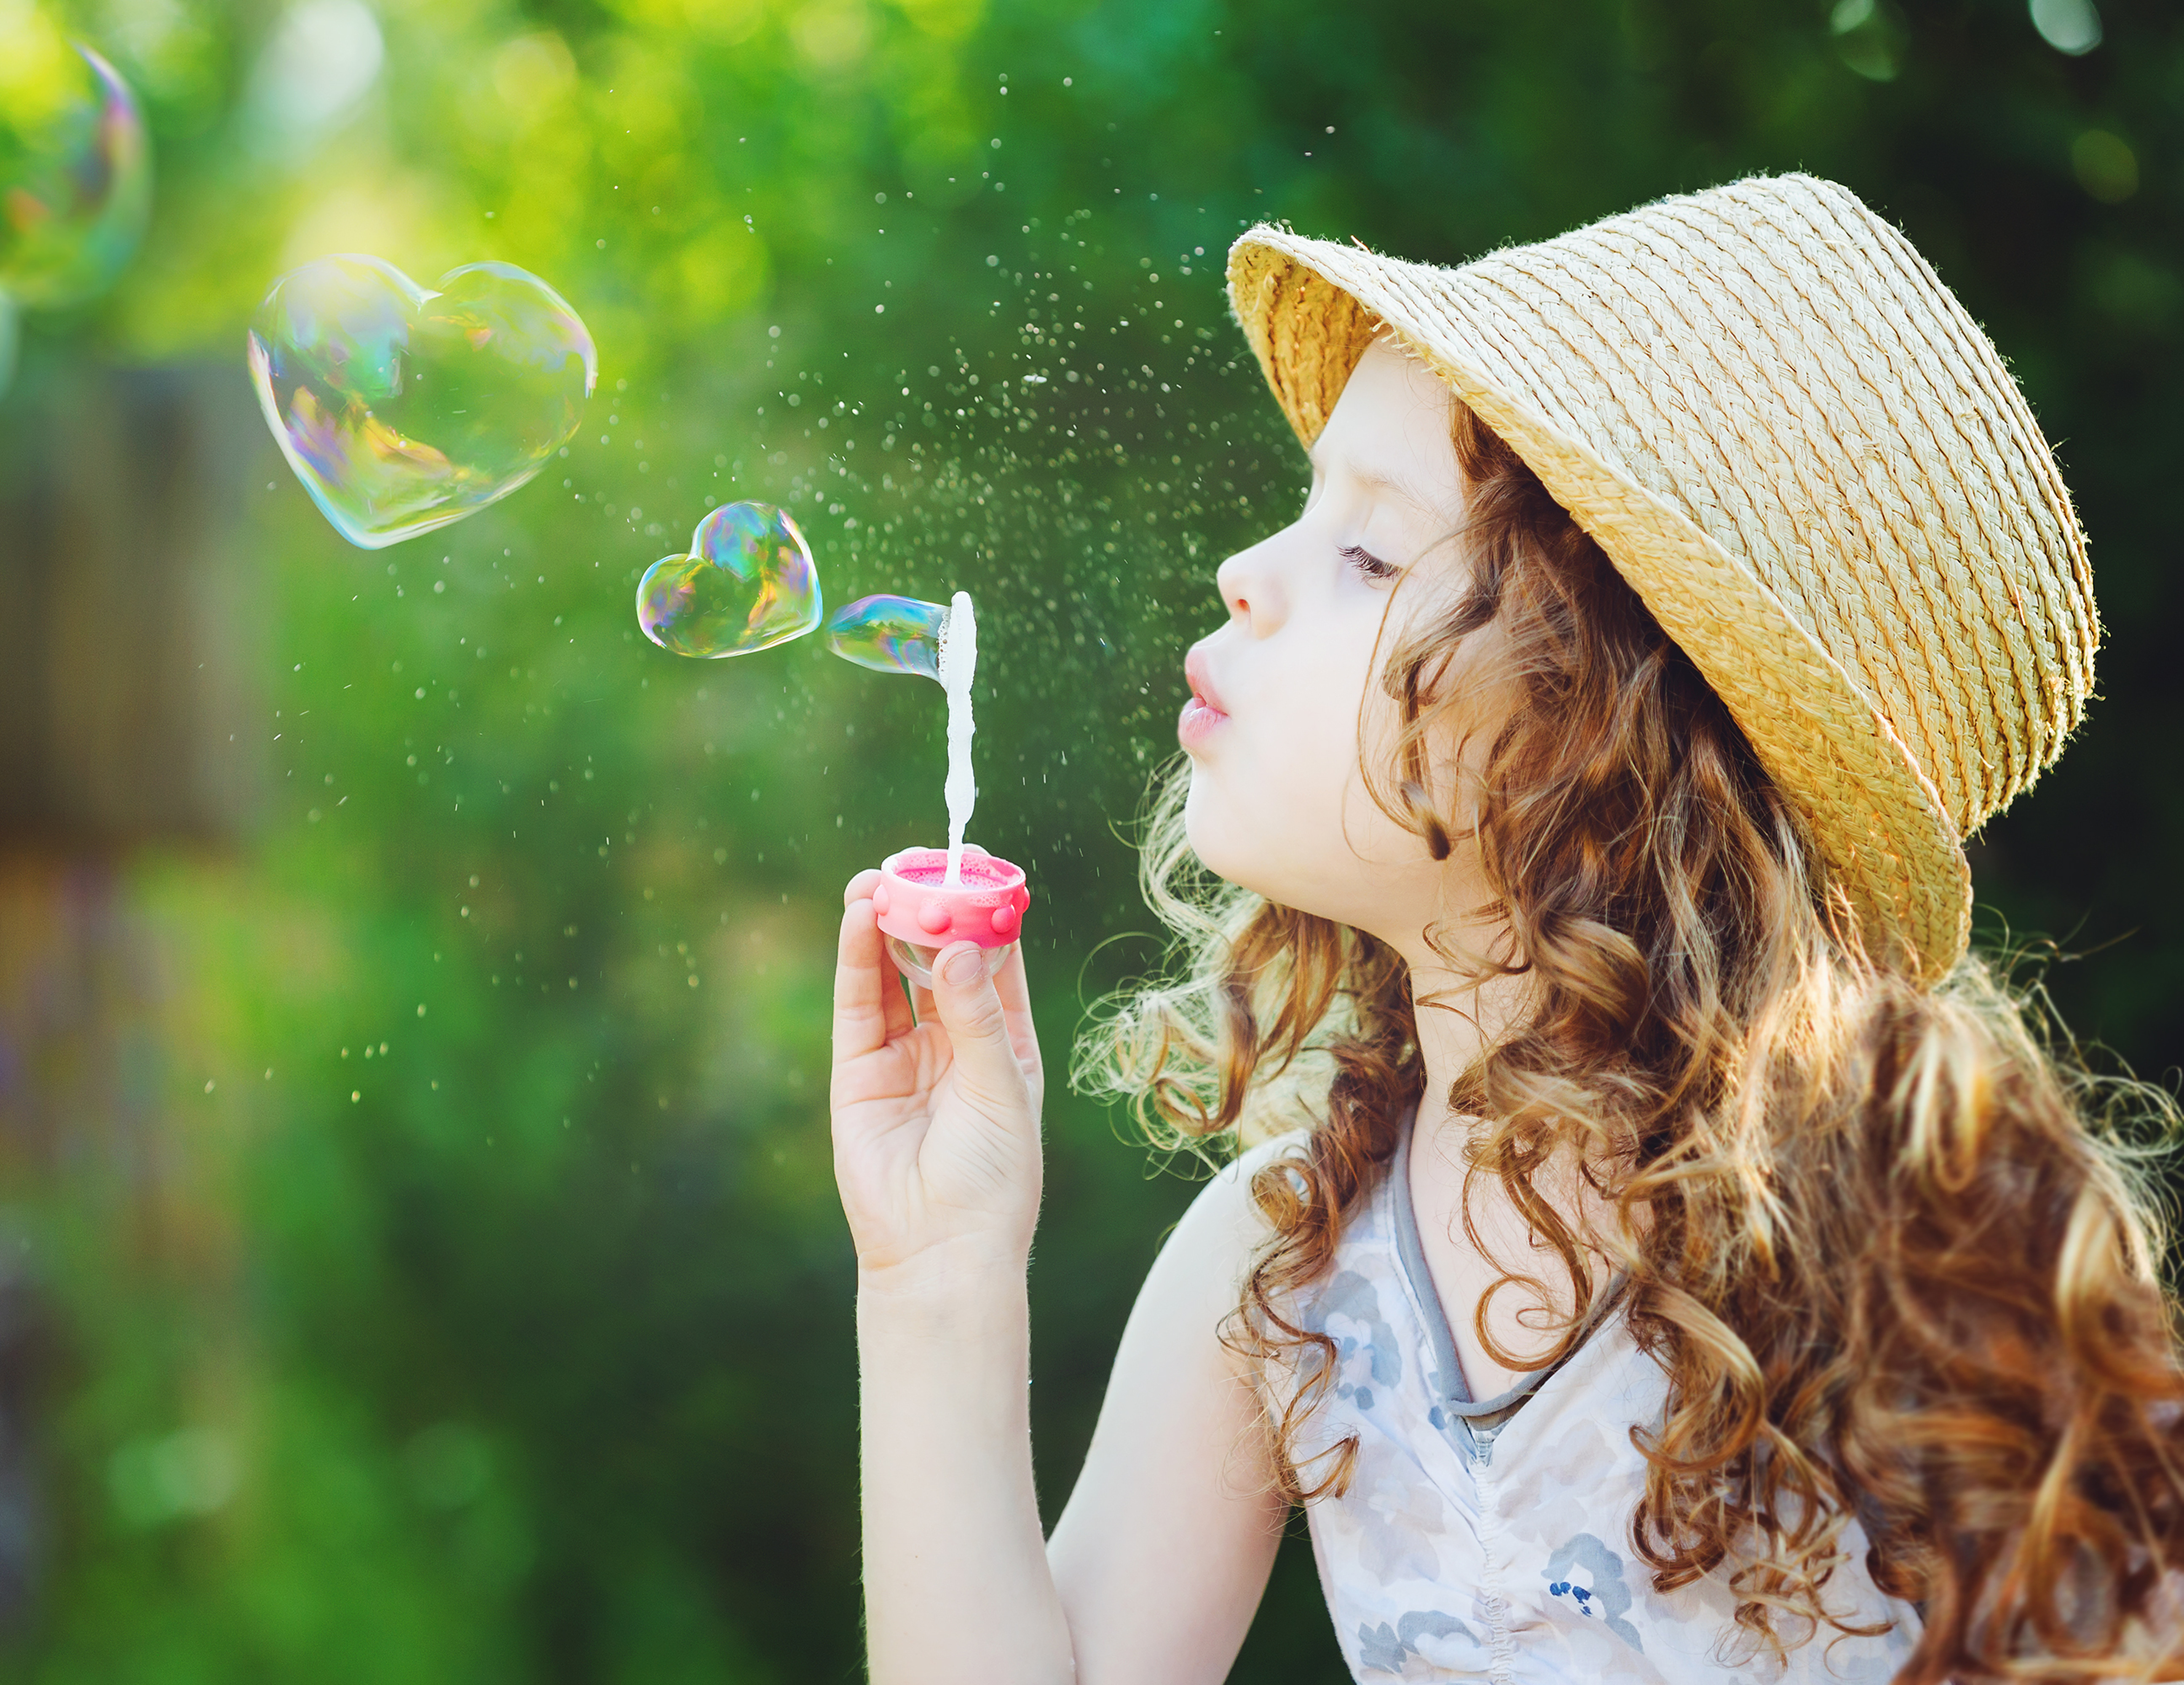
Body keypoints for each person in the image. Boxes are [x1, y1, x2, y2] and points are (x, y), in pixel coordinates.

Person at [827, 174, 2184, 1683]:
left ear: (1606, 723)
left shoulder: (1908, 1258)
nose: (1245, 575)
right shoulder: (1292, 1268)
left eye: (1368, 554)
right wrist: (937, 1272)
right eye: (1306, 511)